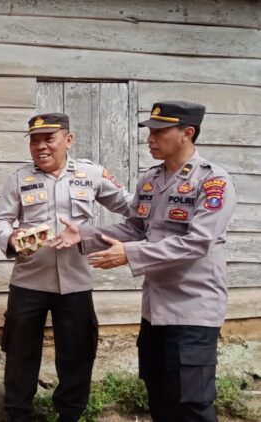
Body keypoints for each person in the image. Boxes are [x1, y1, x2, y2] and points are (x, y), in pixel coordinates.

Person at [55, 101, 237, 422]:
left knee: (192, 405)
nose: (150, 139)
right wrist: (83, 235)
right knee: (160, 397)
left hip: (192, 311)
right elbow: (135, 228)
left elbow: (198, 242)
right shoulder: (151, 180)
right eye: (149, 132)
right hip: (154, 312)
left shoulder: (212, 182)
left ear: (187, 133)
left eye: (159, 132)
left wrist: (130, 254)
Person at [0, 113, 133, 422]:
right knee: (20, 352)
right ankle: (18, 413)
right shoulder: (19, 179)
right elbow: (0, 220)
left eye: (48, 138)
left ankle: (69, 414)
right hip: (29, 281)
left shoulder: (91, 175)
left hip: (76, 283)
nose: (40, 146)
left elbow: (131, 206)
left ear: (68, 140)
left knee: (77, 353)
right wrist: (11, 238)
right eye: (34, 140)